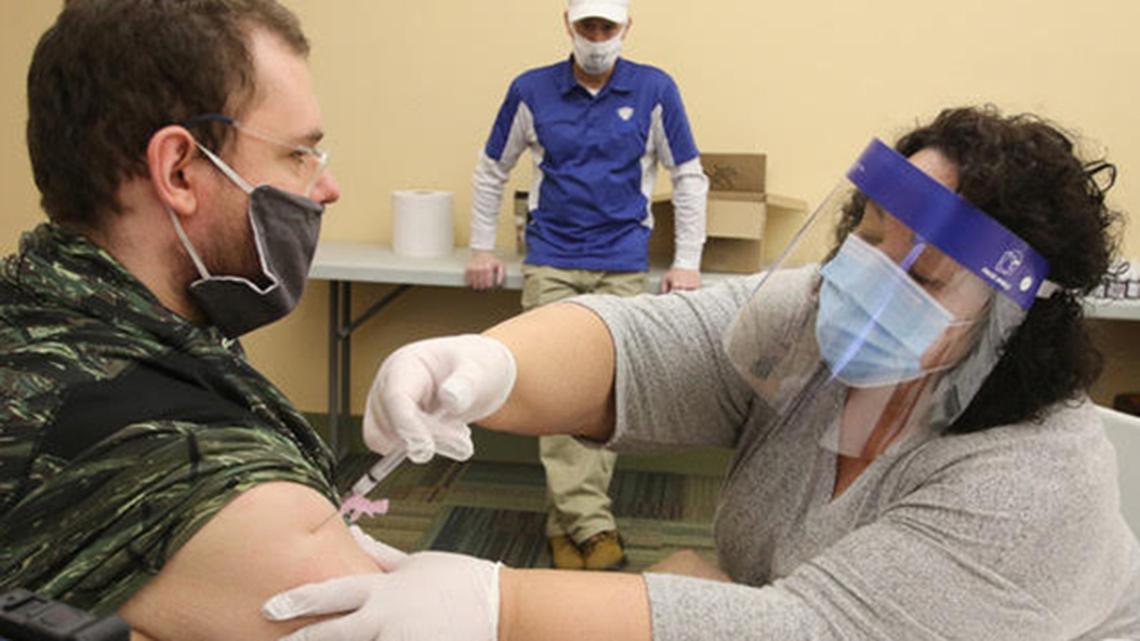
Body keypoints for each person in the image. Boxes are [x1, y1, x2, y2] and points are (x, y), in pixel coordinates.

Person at [265, 107, 1140, 641]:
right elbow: (652, 346)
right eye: (871, 234)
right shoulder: (828, 323)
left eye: (925, 273)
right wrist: (493, 362)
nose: (873, 275)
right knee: (682, 580)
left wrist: (494, 605)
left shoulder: (1031, 481)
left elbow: (813, 631)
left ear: (1014, 318)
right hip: (795, 611)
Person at [0, 2, 393, 639]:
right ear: (179, 170)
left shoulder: (34, 300)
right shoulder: (191, 469)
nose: (326, 187)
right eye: (300, 155)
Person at [463, 0, 710, 571]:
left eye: (608, 27)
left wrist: (687, 260)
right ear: (568, 25)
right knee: (553, 394)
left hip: (622, 265)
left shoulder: (654, 90)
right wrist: (481, 247)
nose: (597, 38)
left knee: (604, 400)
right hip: (551, 261)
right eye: (587, 26)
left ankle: (564, 524)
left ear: (627, 28)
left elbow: (689, 176)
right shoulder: (531, 89)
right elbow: (491, 168)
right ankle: (592, 525)